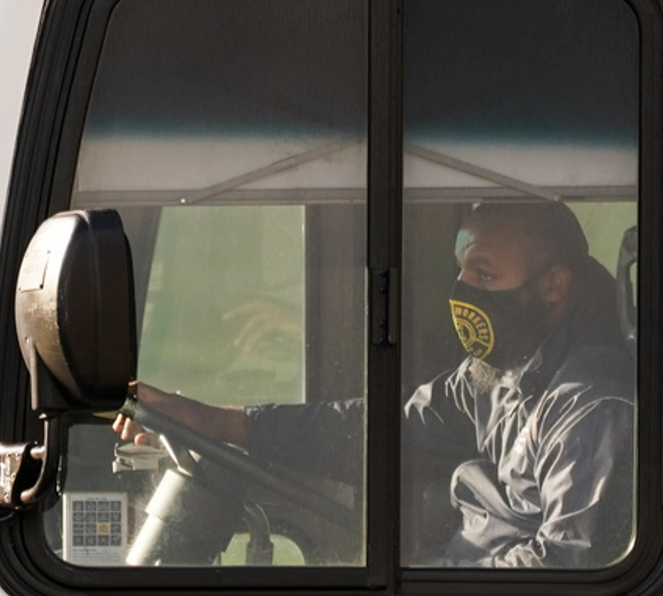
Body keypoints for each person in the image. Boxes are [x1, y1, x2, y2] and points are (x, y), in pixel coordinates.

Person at [115, 200, 635, 568]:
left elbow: (567, 567)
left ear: (554, 285)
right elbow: (385, 430)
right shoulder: (503, 369)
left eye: (485, 274)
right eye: (461, 272)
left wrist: (425, 579)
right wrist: (218, 422)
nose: (463, 292)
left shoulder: (590, 404)